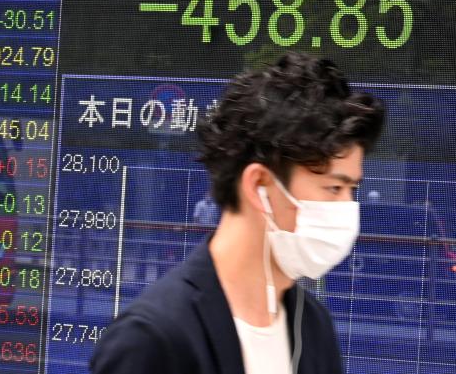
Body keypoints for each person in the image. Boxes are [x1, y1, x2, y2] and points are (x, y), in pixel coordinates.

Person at [91, 53, 385, 374]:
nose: (347, 209)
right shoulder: (155, 341)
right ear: (259, 185)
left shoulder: (312, 327)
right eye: (333, 188)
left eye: (351, 190)